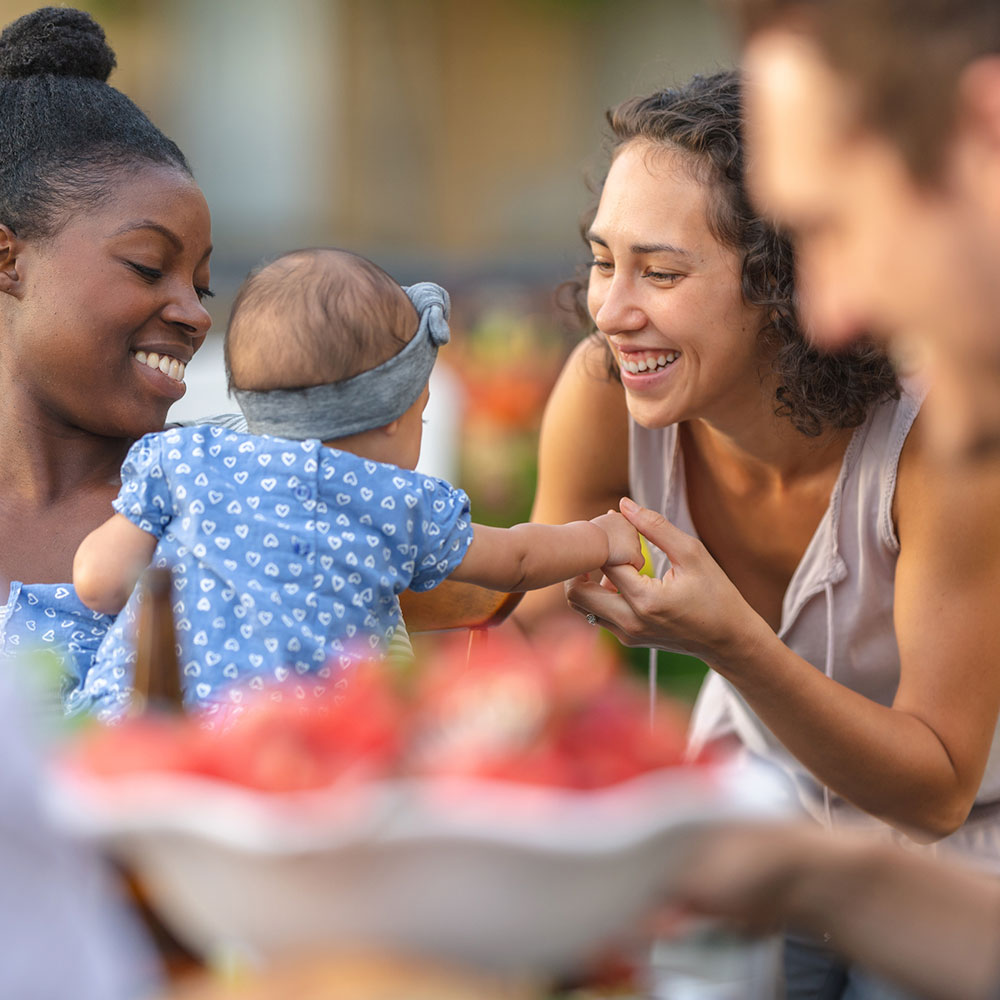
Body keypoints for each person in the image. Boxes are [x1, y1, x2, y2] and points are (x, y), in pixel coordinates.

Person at [528, 70, 1000, 998]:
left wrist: (732, 643)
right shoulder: (603, 395)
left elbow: (938, 790)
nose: (612, 311)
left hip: (962, 869)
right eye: (603, 261)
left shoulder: (946, 441)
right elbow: (529, 628)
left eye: (662, 273)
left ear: (786, 285)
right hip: (755, 835)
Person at [72, 248, 643, 718]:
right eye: (421, 417)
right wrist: (600, 538)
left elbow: (98, 583)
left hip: (146, 729)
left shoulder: (189, 455)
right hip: (305, 749)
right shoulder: (394, 501)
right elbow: (517, 558)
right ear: (392, 416)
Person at [0, 5, 213, 705]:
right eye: (149, 267)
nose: (196, 313)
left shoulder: (225, 500)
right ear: (8, 260)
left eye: (202, 285)